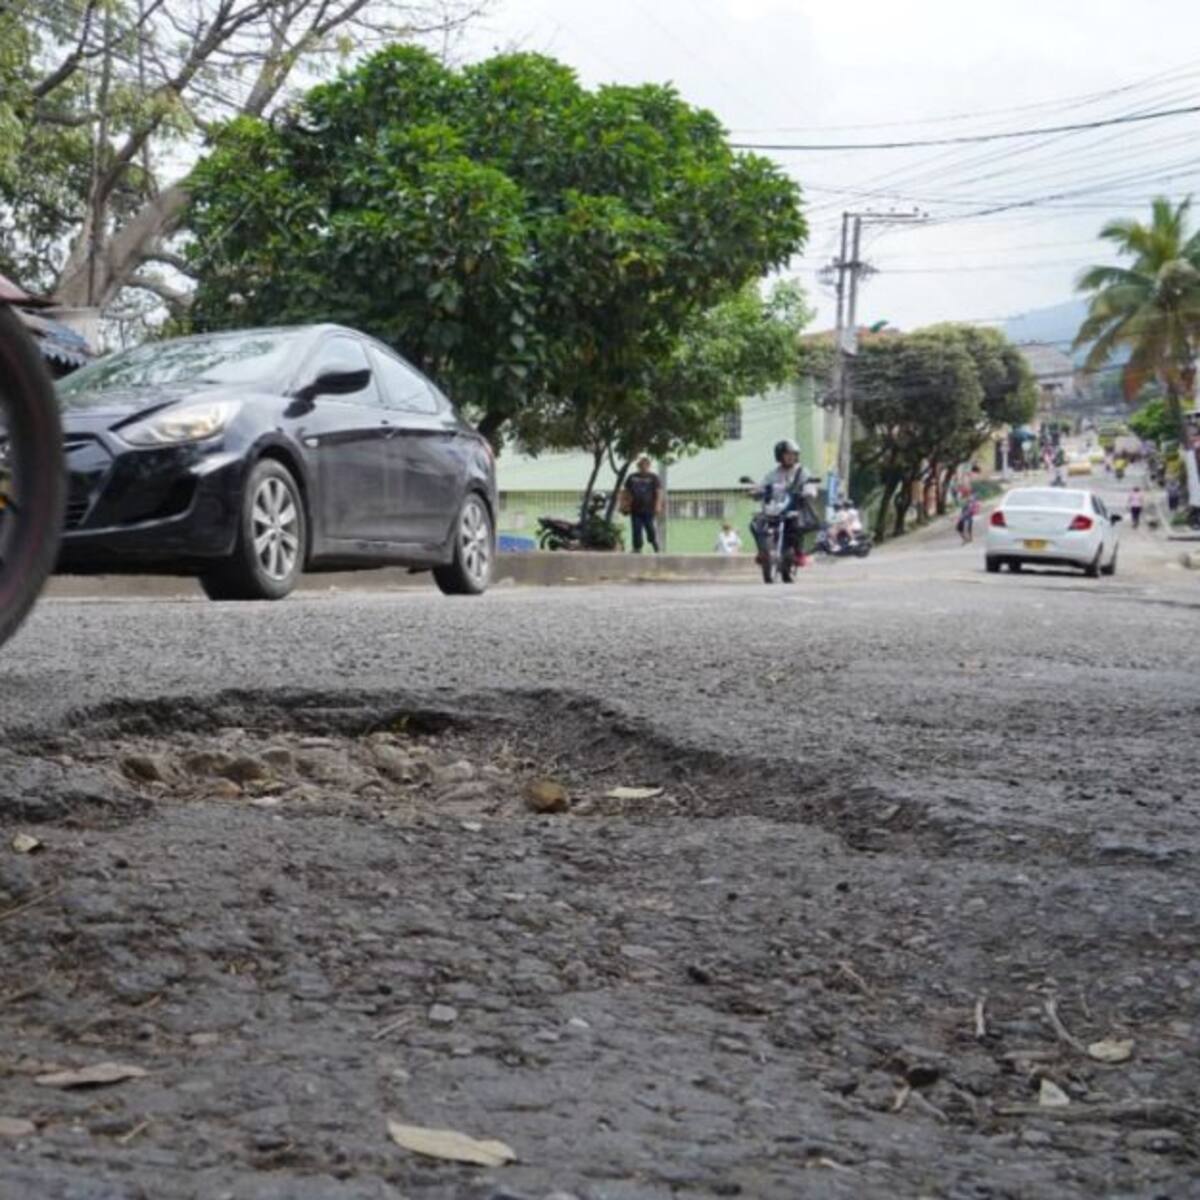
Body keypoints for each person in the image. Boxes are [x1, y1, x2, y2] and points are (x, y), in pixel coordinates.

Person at [748, 438, 815, 570]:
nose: (791, 457)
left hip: (793, 509)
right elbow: (762, 486)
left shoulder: (801, 472)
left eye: (794, 454)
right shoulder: (773, 474)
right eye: (787, 454)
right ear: (780, 455)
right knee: (755, 524)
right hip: (773, 509)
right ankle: (763, 551)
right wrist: (755, 492)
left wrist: (809, 491)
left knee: (797, 525)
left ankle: (799, 553)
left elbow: (809, 484)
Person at [622, 455, 662, 553]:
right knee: (636, 529)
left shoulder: (653, 477)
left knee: (650, 528)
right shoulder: (632, 477)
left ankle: (653, 542)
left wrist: (658, 505)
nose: (643, 467)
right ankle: (637, 548)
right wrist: (624, 505)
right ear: (638, 466)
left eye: (645, 465)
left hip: (648, 509)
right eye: (641, 465)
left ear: (649, 466)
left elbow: (658, 492)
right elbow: (626, 492)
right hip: (635, 508)